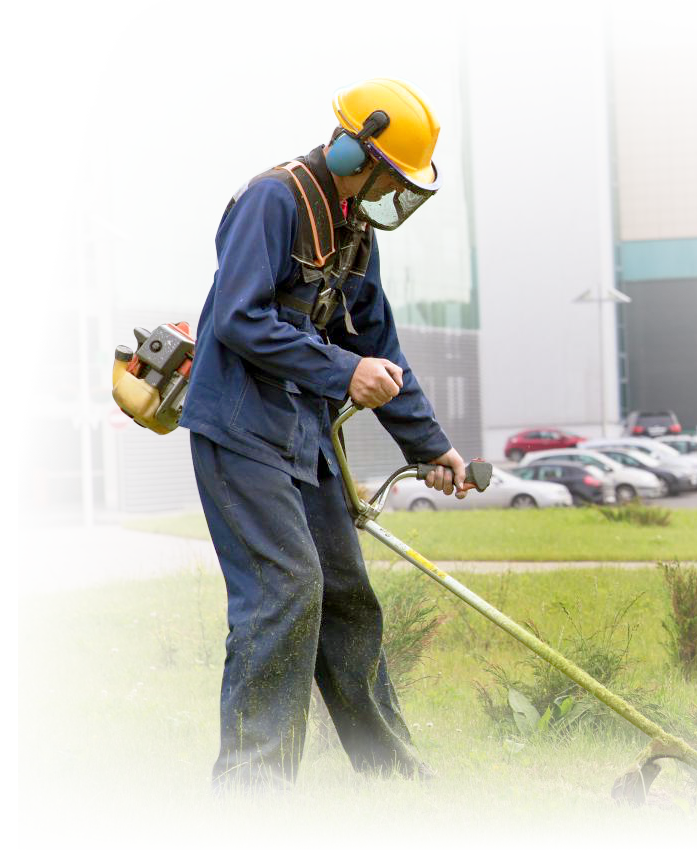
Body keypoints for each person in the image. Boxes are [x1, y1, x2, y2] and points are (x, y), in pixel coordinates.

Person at [178, 75, 473, 797]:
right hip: (240, 429)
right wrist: (343, 372)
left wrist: (430, 445)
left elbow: (382, 347)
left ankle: (385, 762)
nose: (390, 190)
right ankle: (252, 780)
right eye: (389, 173)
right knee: (287, 586)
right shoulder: (274, 200)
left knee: (345, 590)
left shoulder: (353, 226)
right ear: (355, 150)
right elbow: (238, 321)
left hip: (301, 436)